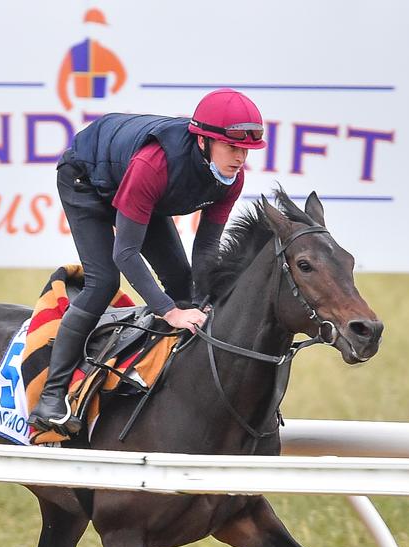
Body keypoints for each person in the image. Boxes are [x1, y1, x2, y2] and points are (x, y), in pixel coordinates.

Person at [27, 88, 267, 433]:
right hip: (87, 180)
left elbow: (206, 247)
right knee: (103, 282)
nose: (240, 158)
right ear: (203, 142)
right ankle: (51, 396)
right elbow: (125, 252)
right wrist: (169, 311)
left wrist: (205, 301)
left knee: (185, 285)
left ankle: (177, 383)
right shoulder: (154, 164)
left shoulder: (232, 179)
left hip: (139, 187)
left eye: (246, 150)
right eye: (232, 147)